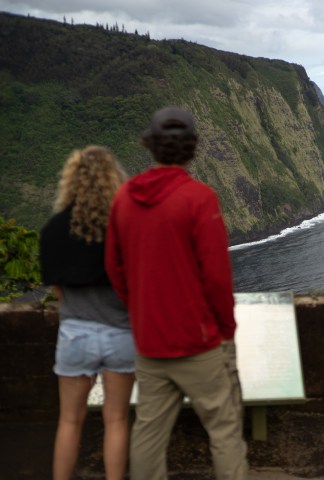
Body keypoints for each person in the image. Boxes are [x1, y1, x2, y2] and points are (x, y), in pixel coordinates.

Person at [105, 106, 248, 479]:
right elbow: (217, 278)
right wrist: (225, 330)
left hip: (149, 342)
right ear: (191, 148)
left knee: (149, 432)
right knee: (225, 429)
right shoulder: (198, 199)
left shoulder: (124, 199)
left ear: (150, 145)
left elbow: (115, 270)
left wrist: (139, 310)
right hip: (198, 343)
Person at [40, 145, 134, 480]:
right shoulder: (126, 227)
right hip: (121, 333)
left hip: (76, 333)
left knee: (69, 420)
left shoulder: (54, 230)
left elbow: (57, 288)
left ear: (71, 180)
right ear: (114, 179)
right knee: (117, 420)